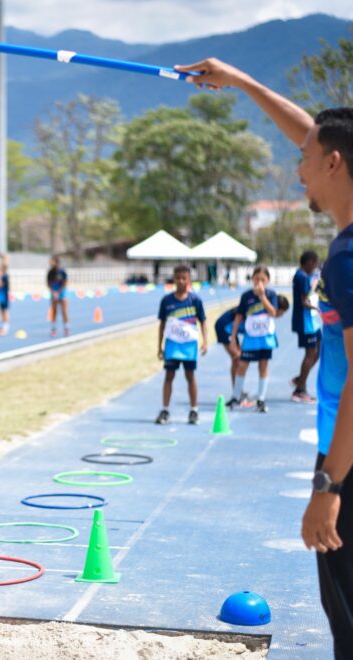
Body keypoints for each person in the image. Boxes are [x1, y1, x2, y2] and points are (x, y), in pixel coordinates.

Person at [177, 57, 353, 658]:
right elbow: (321, 135)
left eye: (306, 160)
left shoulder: (346, 259)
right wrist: (245, 82)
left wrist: (329, 483)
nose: (297, 170)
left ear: (334, 164)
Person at [155, 265, 207, 425]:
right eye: (178, 278)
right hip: (172, 346)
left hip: (189, 347)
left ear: (189, 280)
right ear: (174, 279)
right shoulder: (167, 301)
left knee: (190, 376)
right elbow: (162, 324)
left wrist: (205, 341)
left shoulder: (195, 300)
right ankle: (165, 410)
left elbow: (203, 321)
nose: (181, 281)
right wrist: (159, 346)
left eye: (184, 278)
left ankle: (194, 410)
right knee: (169, 376)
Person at [227, 265, 281, 414]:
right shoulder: (246, 296)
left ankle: (261, 399)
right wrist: (233, 336)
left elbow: (273, 313)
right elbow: (239, 316)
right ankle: (236, 397)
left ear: (268, 280)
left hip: (265, 338)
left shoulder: (271, 294)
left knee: (263, 367)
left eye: (263, 279)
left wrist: (262, 297)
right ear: (252, 279)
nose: (259, 282)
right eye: (257, 279)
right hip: (251, 338)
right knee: (242, 365)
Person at [291, 250, 322, 403]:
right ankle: (300, 390)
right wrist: (318, 308)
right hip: (305, 321)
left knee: (320, 349)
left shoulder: (304, 276)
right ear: (308, 262)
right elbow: (304, 302)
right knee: (310, 354)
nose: (315, 267)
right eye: (314, 264)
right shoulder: (301, 276)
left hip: (311, 321)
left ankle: (300, 379)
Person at [47, 256, 69, 337]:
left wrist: (59, 292)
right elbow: (48, 283)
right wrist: (53, 292)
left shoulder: (62, 271)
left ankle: (66, 329)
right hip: (54, 293)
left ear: (56, 262)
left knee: (64, 311)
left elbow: (65, 283)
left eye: (52, 261)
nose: (50, 263)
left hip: (62, 293)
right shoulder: (50, 272)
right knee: (54, 311)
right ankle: (53, 329)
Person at [0, 260, 11, 336]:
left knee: (5, 311)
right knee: (2, 311)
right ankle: (3, 326)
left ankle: (6, 327)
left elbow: (0, 285)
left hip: (4, 296)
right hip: (1, 295)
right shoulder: (4, 275)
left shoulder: (4, 276)